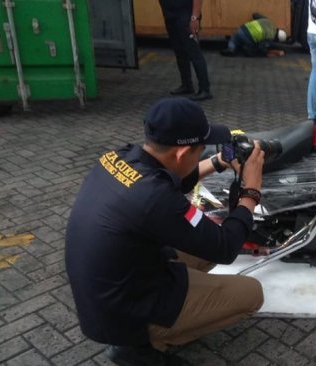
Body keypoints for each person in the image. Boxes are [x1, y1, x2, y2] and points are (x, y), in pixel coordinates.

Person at [65, 97, 265, 365]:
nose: (203, 153)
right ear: (182, 154)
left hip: (108, 288)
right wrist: (251, 191)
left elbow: (171, 181)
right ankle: (141, 346)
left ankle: (166, 317)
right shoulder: (155, 199)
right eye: (201, 150)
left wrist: (218, 162)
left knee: (202, 242)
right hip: (125, 312)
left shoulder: (120, 157)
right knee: (251, 293)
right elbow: (226, 246)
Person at [158, 0, 213, 101]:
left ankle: (205, 89)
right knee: (179, 51)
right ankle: (187, 85)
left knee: (194, 52)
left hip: (186, 16)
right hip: (171, 16)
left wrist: (194, 18)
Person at [220, 13, 288, 57]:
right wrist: (267, 53)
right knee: (254, 49)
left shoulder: (268, 21)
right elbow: (261, 47)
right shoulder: (270, 37)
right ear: (277, 39)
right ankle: (246, 49)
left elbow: (255, 14)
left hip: (242, 28)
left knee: (235, 38)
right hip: (248, 37)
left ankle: (231, 49)